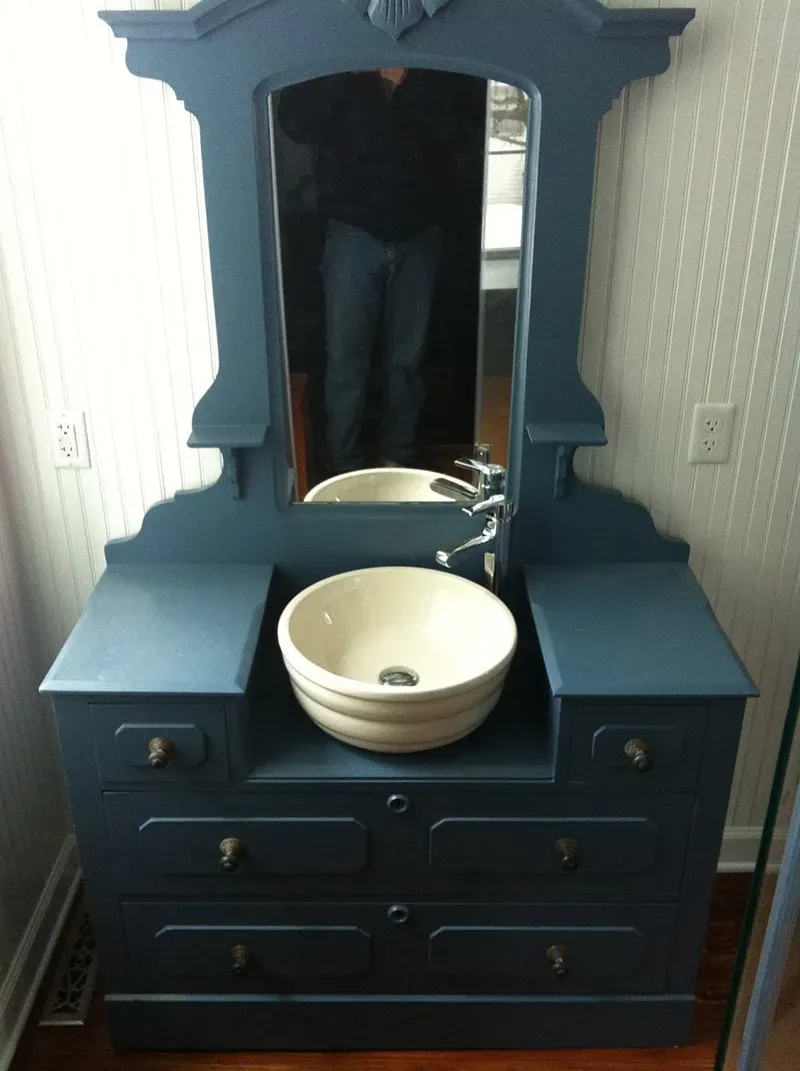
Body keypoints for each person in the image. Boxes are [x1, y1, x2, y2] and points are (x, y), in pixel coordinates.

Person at [279, 69, 468, 473]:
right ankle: (343, 468)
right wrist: (344, 70)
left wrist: (406, 82)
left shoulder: (430, 57)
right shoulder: (335, 54)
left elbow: (458, 128)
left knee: (408, 361)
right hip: (351, 231)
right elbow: (294, 123)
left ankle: (398, 458)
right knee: (345, 359)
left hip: (420, 231)